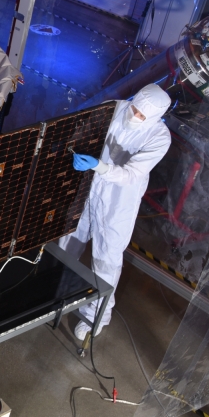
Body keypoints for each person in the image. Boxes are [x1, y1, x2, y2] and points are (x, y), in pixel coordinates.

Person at [59, 84, 172, 340]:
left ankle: (97, 315)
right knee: (69, 242)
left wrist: (99, 165)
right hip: (89, 191)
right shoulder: (115, 108)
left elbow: (132, 174)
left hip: (118, 202)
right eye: (134, 109)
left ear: (154, 118)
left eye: (142, 115)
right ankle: (58, 290)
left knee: (106, 259)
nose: (134, 116)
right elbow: (84, 133)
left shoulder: (159, 137)